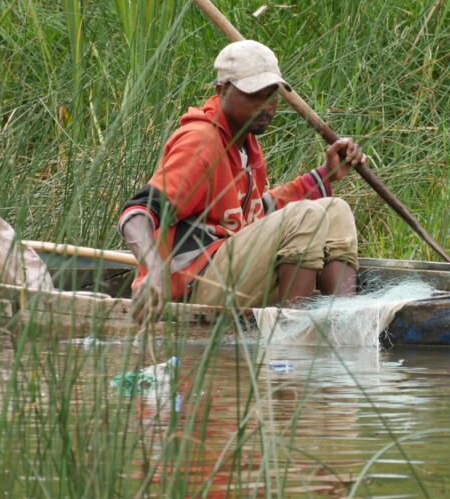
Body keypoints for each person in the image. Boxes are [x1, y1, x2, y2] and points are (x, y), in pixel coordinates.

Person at [118, 39, 366, 323]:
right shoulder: (202, 142)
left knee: (336, 209)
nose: (267, 107)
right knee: (307, 215)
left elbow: (257, 215)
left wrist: (325, 175)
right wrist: (154, 271)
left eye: (271, 95)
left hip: (233, 272)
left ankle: (345, 323)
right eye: (254, 96)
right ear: (222, 90)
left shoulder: (246, 143)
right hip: (191, 289)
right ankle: (293, 335)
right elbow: (136, 213)